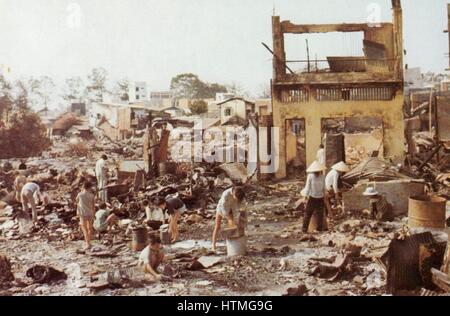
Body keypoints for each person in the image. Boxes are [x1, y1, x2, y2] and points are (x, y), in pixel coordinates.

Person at [212, 186, 246, 252]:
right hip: (221, 209)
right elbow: (223, 207)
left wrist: (238, 215)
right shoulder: (226, 194)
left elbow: (238, 205)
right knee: (217, 226)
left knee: (233, 227)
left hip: (230, 210)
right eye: (236, 198)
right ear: (233, 194)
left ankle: (232, 244)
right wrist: (227, 216)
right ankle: (213, 246)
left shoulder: (238, 193)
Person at [302, 161, 326, 233]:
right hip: (320, 198)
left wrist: (305, 197)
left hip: (312, 197)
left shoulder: (310, 176)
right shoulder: (322, 176)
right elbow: (324, 188)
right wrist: (325, 196)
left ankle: (304, 229)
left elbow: (307, 187)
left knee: (308, 213)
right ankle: (319, 229)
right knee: (320, 214)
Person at [76, 181, 96, 250]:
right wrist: (94, 214)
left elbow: (76, 201)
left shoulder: (80, 194)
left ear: (84, 187)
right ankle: (89, 242)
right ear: (90, 187)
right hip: (90, 213)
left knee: (84, 229)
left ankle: (87, 244)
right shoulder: (92, 195)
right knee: (89, 228)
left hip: (83, 213)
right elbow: (93, 206)